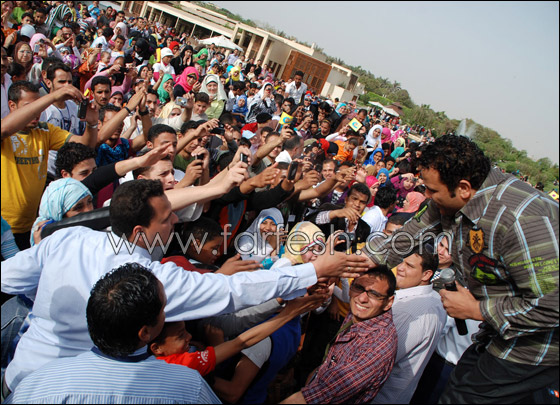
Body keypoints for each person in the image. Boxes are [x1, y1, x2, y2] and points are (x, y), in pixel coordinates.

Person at [1, 178, 369, 393]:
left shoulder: (67, 241)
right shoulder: (151, 281)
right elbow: (233, 292)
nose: (176, 220)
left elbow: (7, 278)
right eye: (166, 218)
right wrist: (311, 270)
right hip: (70, 390)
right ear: (139, 231)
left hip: (20, 376)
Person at [364, 135, 559, 404]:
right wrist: (354, 263)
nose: (427, 197)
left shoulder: (521, 220)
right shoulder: (449, 198)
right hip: (496, 335)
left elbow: (553, 304)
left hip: (532, 348)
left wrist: (476, 310)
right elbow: (405, 238)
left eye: (432, 191)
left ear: (464, 188)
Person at [4, 263, 220, 404]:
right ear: (145, 333)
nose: (166, 314)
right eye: (163, 309)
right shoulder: (189, 387)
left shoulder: (37, 385)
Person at [1, 81, 98, 250]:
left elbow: (85, 145)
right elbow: (3, 130)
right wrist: (52, 97)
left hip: (31, 226)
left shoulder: (45, 131)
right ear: (12, 105)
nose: (36, 112)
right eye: (30, 107)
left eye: (39, 107)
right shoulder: (5, 129)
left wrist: (92, 124)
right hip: (4, 228)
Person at [282, 266, 398, 404]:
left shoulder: (378, 346)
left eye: (374, 294)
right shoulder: (362, 314)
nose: (362, 298)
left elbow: (324, 393)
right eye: (359, 288)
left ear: (388, 302)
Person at [372, 243, 447, 404]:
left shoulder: (407, 310)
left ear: (426, 274)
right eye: (401, 261)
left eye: (409, 266)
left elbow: (377, 360)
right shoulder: (436, 300)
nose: (400, 268)